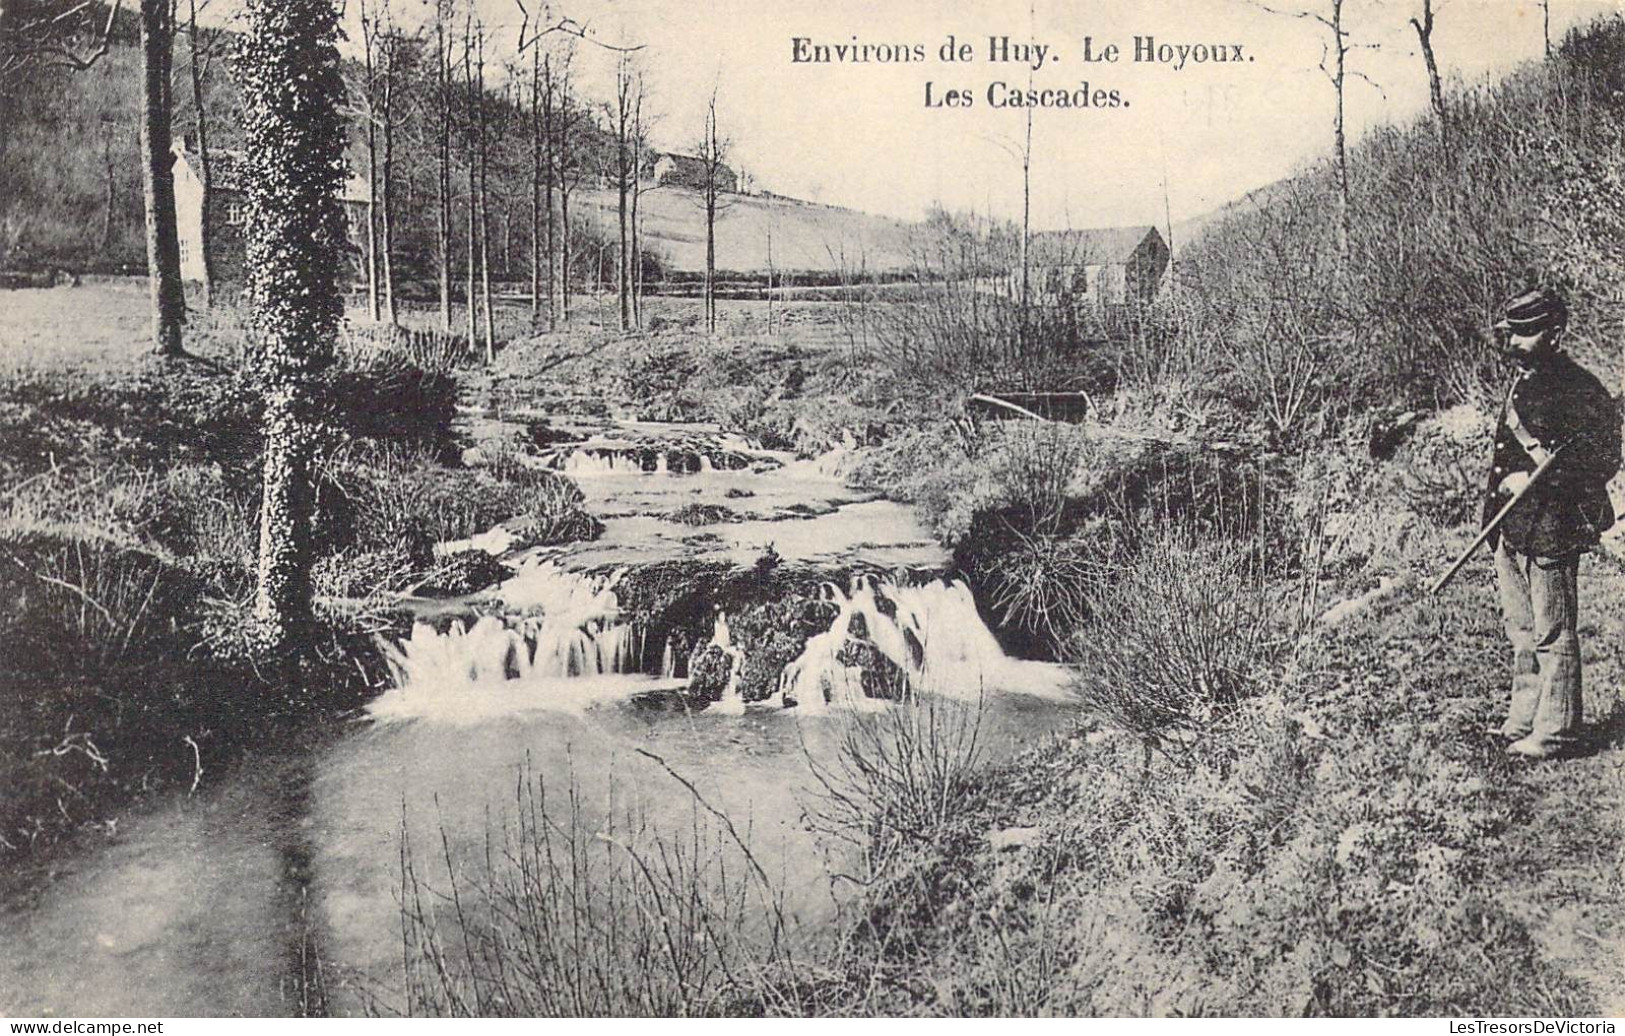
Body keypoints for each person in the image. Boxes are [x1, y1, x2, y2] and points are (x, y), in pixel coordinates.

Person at [1481, 286, 1621, 759]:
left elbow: (1603, 459)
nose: (1515, 342)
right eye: (1513, 332)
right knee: (1521, 630)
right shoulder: (1525, 378)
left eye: (1527, 333)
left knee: (1553, 631)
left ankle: (1557, 730)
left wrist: (1538, 480)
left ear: (1555, 335)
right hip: (1511, 526)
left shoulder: (1580, 389)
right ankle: (1524, 718)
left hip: (1551, 526)